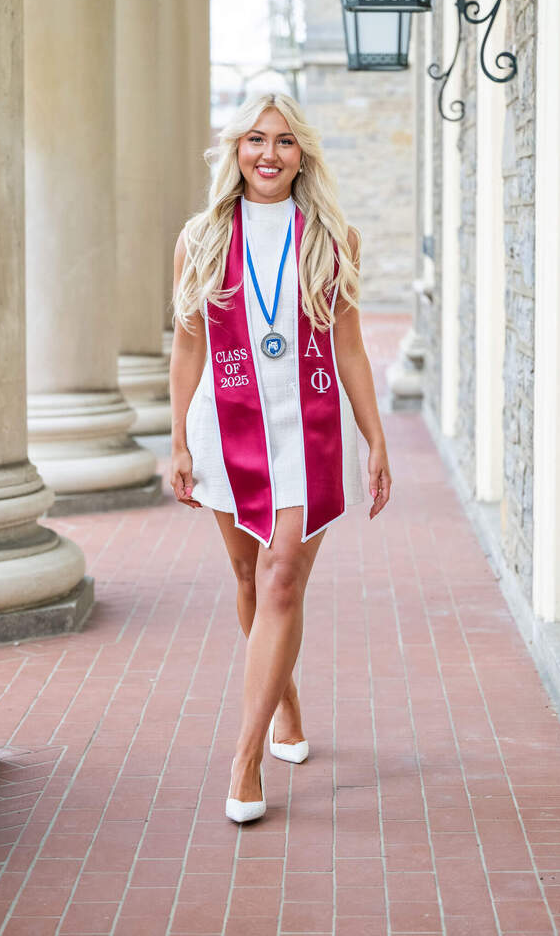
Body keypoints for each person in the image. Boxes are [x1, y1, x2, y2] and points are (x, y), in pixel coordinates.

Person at [168, 91, 392, 823]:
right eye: (255, 139)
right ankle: (286, 694)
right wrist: (176, 439)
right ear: (235, 150)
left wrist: (375, 436)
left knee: (282, 578)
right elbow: (189, 346)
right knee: (246, 574)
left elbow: (351, 346)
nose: (269, 153)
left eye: (285, 141)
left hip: (308, 427)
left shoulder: (333, 238)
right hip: (226, 427)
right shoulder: (200, 238)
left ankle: (245, 757)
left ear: (304, 155)